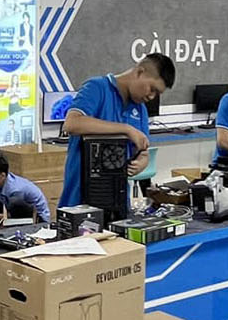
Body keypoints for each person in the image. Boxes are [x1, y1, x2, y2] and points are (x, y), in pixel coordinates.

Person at [60, 53, 175, 207]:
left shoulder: (140, 110)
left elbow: (143, 152)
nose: (151, 97)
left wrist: (142, 162)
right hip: (79, 199)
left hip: (117, 201)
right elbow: (72, 124)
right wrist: (126, 129)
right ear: (140, 72)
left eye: (157, 94)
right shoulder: (97, 88)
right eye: (152, 89)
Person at [0, 153, 52, 223]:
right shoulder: (1, 181)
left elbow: (11, 216)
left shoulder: (16, 190)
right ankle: (0, 224)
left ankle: (11, 227)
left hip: (38, 218)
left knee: (14, 203)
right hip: (19, 212)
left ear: (2, 176)